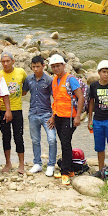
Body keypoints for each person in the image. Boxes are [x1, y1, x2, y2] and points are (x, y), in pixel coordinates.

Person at [47, 54, 84, 185]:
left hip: (70, 117)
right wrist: (53, 116)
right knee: (64, 142)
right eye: (54, 66)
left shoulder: (70, 79)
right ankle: (69, 169)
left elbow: (80, 97)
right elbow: (56, 100)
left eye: (58, 66)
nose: (56, 68)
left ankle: (66, 172)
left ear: (63, 65)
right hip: (58, 117)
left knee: (66, 142)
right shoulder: (54, 80)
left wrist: (78, 116)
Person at [22, 56, 57, 177]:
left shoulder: (49, 80)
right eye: (33, 67)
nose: (36, 69)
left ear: (43, 66)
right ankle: (37, 163)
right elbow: (23, 93)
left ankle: (51, 165)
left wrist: (54, 115)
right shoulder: (28, 79)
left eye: (38, 66)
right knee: (35, 140)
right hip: (33, 113)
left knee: (52, 139)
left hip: (47, 114)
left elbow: (55, 98)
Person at [0, 51, 27, 174]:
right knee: (6, 137)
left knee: (18, 137)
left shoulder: (21, 72)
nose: (5, 64)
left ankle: (21, 164)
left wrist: (22, 93)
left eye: (8, 61)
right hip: (2, 109)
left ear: (13, 61)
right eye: (3, 62)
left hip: (17, 109)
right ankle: (8, 163)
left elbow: (26, 86)